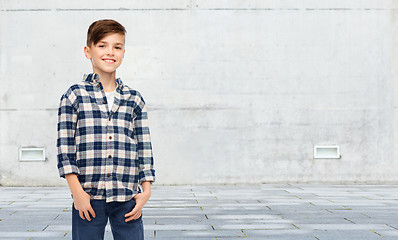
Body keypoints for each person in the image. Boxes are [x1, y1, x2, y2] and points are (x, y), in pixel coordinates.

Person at [56, 19, 155, 240]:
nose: (110, 52)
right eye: (102, 45)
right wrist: (77, 193)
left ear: (123, 52)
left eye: (117, 46)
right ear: (87, 51)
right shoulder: (74, 96)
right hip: (88, 196)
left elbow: (144, 147)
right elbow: (65, 150)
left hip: (127, 196)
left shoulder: (134, 98)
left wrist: (145, 191)